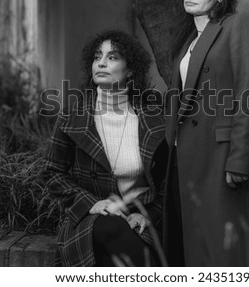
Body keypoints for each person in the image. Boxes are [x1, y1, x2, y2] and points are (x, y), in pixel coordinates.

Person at [163, 0, 249, 266]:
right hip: (185, 158)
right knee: (196, 249)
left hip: (221, 158)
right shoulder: (189, 39)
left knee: (225, 252)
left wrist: (240, 159)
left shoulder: (239, 25)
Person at [43, 30, 167, 267]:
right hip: (90, 219)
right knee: (112, 229)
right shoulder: (73, 115)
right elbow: (51, 172)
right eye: (98, 56)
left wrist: (148, 215)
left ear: (130, 69)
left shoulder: (153, 116)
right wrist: (92, 203)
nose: (101, 63)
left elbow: (167, 179)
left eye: (112, 57)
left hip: (136, 218)